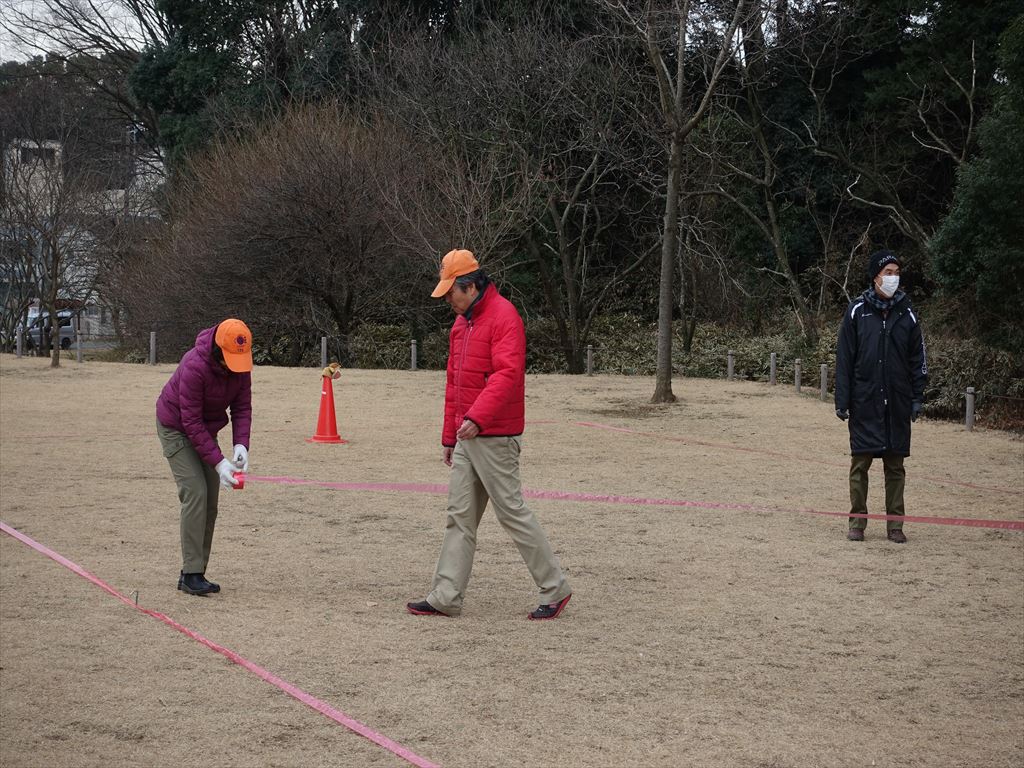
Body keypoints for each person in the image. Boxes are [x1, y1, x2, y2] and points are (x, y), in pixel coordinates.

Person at [407, 249, 573, 620]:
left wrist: (477, 420)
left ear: (471, 285)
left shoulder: (504, 317)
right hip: (469, 436)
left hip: (496, 435)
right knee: (459, 515)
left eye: (452, 292)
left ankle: (555, 587)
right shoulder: (460, 325)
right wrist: (450, 436)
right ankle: (446, 595)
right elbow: (454, 384)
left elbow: (506, 375)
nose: (448, 299)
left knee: (511, 512)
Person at [835, 250, 927, 543]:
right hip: (865, 399)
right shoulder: (856, 311)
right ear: (875, 276)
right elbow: (844, 359)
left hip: (897, 401)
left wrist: (916, 396)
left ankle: (895, 525)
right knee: (860, 464)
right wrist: (843, 399)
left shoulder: (908, 314)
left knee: (896, 466)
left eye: (896, 272)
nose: (893, 278)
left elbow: (918, 359)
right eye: (888, 272)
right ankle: (857, 522)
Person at [156, 319, 253, 594]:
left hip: (204, 429)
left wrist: (241, 445)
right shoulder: (194, 366)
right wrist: (219, 462)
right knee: (195, 491)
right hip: (175, 427)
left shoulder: (240, 365)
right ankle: (190, 573)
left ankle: (197, 572)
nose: (235, 366)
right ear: (217, 351)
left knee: (210, 499)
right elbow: (191, 422)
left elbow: (242, 407)